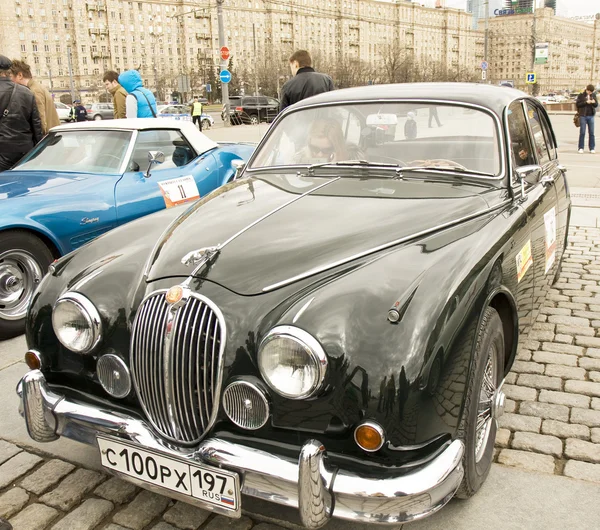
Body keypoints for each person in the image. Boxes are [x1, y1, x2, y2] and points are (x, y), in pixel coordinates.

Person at [0, 55, 43, 172]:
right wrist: (38, 151)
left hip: (2, 152)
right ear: (8, 72)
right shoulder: (27, 92)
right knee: (23, 185)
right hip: (25, 151)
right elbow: (36, 126)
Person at [10, 59, 60, 135]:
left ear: (20, 75)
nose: (10, 81)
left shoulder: (34, 91)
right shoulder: (36, 87)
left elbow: (41, 120)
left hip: (46, 138)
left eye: (11, 77)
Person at [576, 84, 598, 154]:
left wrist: (594, 103)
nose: (590, 93)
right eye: (590, 92)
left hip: (591, 115)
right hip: (583, 115)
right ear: (587, 90)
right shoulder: (581, 95)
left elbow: (596, 105)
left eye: (591, 92)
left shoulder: (593, 95)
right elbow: (578, 104)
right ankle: (581, 147)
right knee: (582, 132)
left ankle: (592, 148)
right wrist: (586, 102)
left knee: (591, 132)